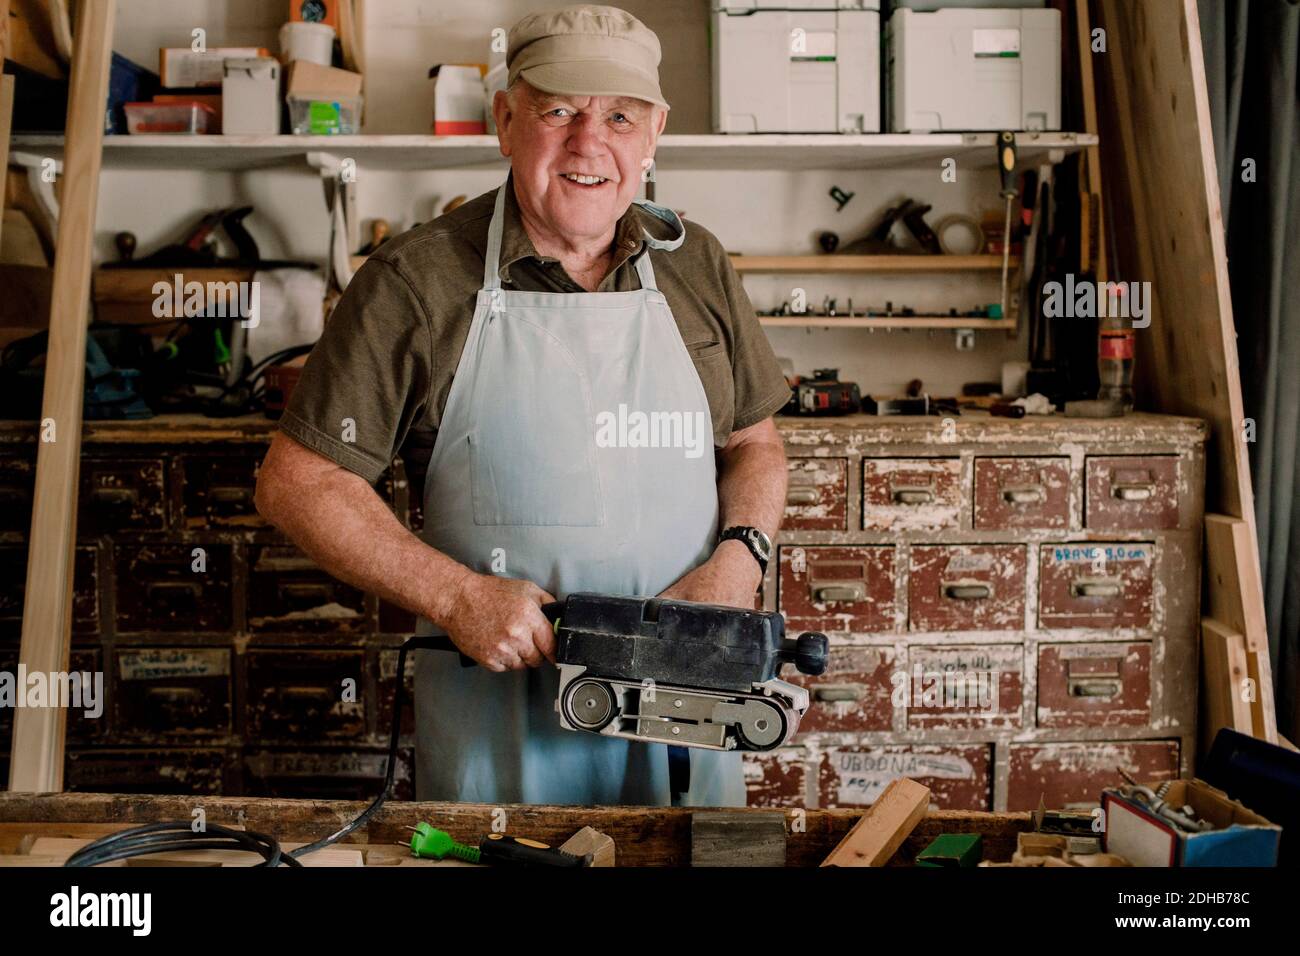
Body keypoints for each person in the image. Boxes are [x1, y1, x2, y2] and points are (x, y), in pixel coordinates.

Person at [255, 4, 791, 806]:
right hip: (499, 724)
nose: (589, 143)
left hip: (686, 712)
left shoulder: (698, 265)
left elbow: (756, 444)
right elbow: (296, 484)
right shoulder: (416, 281)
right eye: (558, 111)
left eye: (619, 116)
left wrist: (740, 559)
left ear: (654, 135)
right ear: (506, 120)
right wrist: (457, 597)